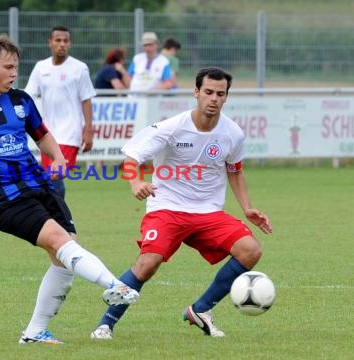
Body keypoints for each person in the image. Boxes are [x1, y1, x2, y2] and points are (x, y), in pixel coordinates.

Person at [0, 34, 139, 344]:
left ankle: (35, 332)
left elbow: (41, 135)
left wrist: (59, 157)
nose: (14, 73)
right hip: (1, 199)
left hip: (39, 186)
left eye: (16, 67)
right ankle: (115, 285)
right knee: (58, 240)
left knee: (64, 254)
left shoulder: (21, 100)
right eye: (8, 67)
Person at [90, 67, 273, 340]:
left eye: (220, 94)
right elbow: (131, 157)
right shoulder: (172, 127)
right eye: (208, 92)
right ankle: (105, 324)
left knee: (250, 251)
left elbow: (235, 170)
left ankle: (201, 310)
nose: (213, 98)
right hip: (167, 208)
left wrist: (247, 207)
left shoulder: (232, 133)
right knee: (148, 263)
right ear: (196, 92)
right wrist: (136, 183)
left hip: (208, 212)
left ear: (226, 98)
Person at [24, 26, 96, 198]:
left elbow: (86, 99)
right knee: (51, 177)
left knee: (55, 174)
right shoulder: (41, 67)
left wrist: (88, 130)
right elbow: (28, 96)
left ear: (70, 44)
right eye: (58, 40)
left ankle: (57, 216)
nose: (62, 44)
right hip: (46, 134)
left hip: (70, 133)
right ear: (50, 42)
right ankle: (55, 216)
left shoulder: (79, 68)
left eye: (65, 41)